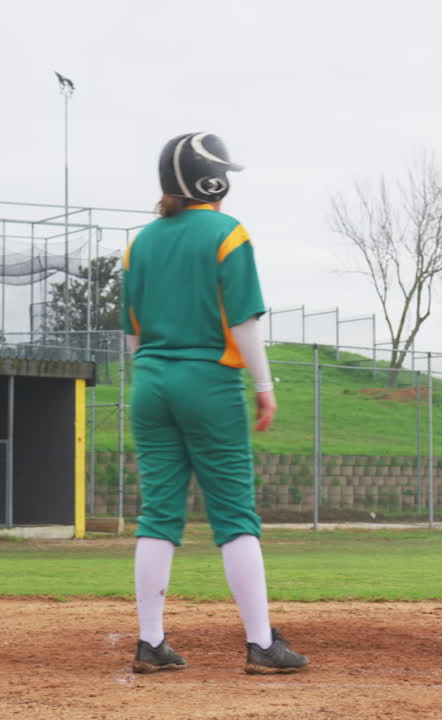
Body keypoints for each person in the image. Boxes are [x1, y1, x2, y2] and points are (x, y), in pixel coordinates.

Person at [121, 132, 309, 675]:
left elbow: (133, 334)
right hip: (209, 381)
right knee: (234, 516)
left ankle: (150, 643)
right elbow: (242, 321)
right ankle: (260, 644)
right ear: (212, 181)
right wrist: (264, 386)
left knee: (158, 513)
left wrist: (157, 369)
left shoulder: (140, 243)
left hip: (150, 381)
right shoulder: (228, 233)